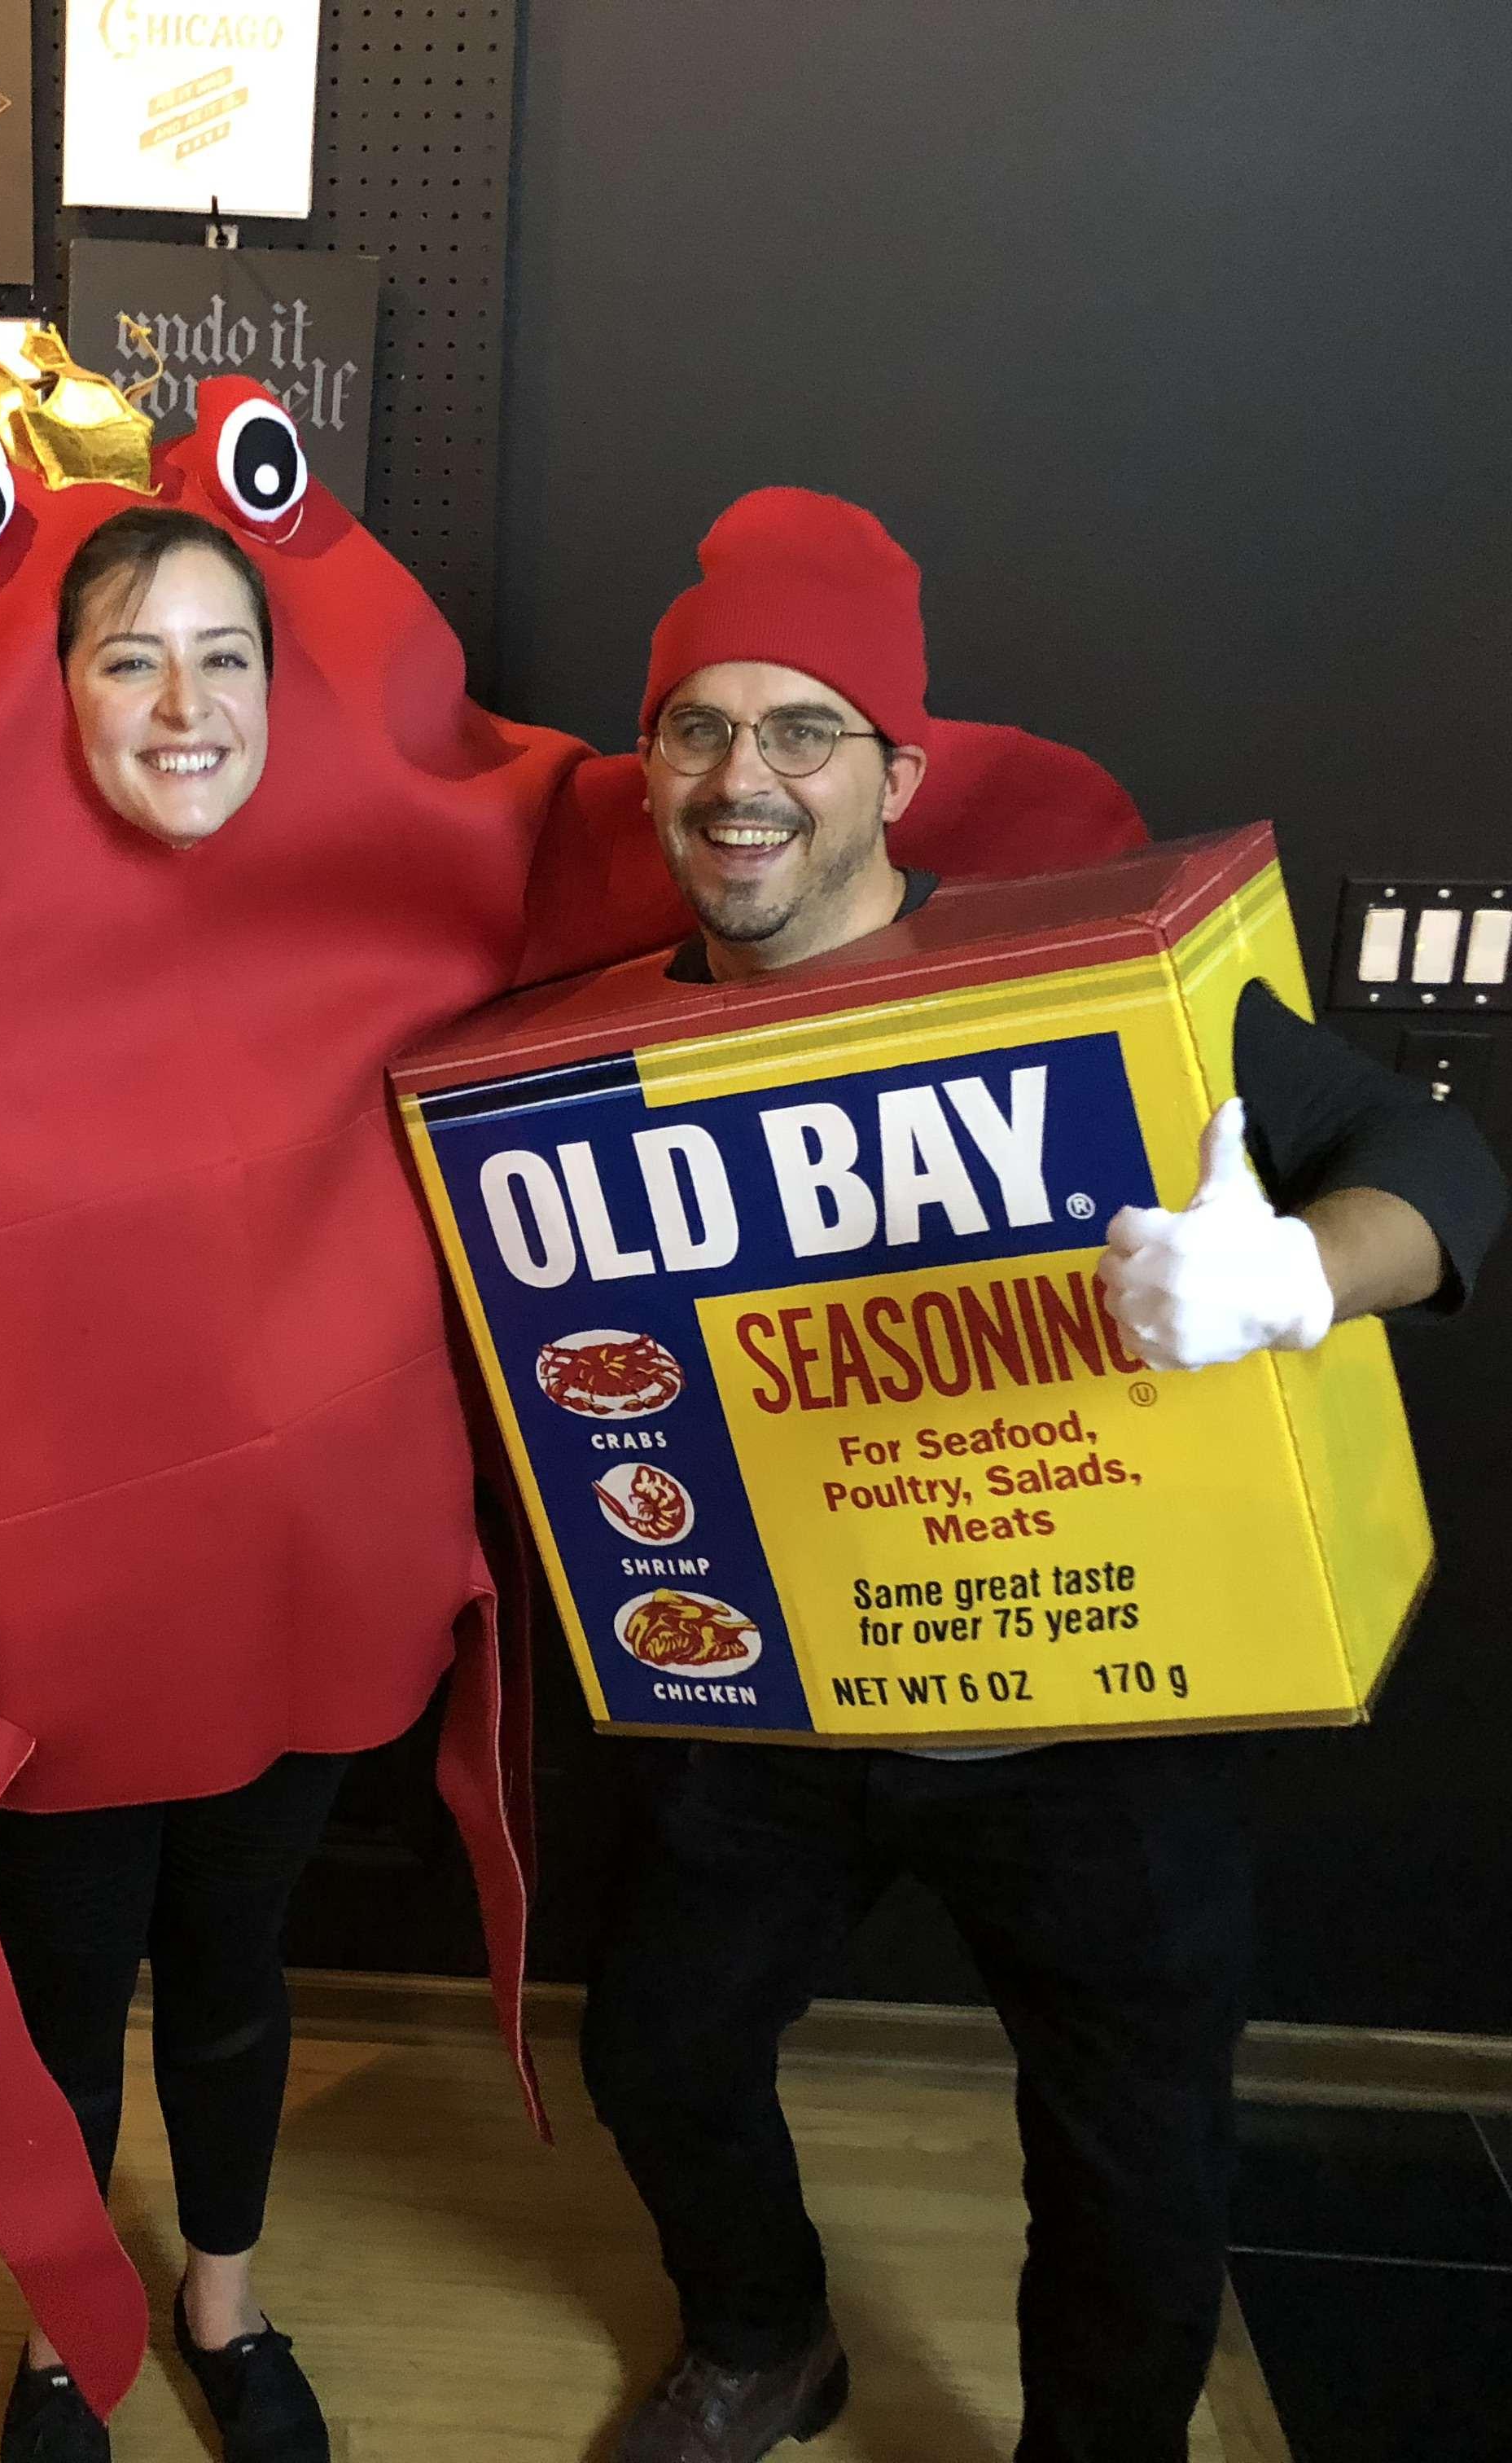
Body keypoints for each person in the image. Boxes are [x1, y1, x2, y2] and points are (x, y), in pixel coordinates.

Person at [576, 487, 1508, 2463]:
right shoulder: (589, 1063)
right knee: (656, 2045)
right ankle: (764, 2340)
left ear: (899, 773)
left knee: (1139, 2162)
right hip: (790, 1712)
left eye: (802, 730)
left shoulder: (1093, 986)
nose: (744, 780)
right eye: (697, 728)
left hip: (1101, 1713)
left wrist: (1291, 1277)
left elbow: (1451, 1176)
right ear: (650, 764)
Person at [0, 506, 335, 2463]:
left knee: (229, 1963)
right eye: (133, 657)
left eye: (225, 654)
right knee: (58, 1990)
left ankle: (223, 2290)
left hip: (294, 1588)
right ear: (62, 697)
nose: (187, 702)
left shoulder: (373, 929)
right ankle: (64, 2328)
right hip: (53, 1605)